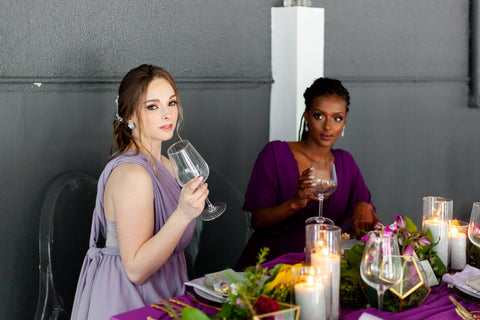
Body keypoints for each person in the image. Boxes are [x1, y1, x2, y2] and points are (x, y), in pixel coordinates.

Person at [71, 64, 208, 319]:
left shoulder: (167, 163)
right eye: (153, 106)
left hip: (167, 291)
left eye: (172, 103)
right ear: (131, 116)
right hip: (130, 299)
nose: (168, 114)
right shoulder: (133, 175)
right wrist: (183, 214)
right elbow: (135, 270)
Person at [235, 77, 379, 270]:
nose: (328, 127)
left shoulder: (346, 162)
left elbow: (364, 205)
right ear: (307, 116)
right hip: (274, 263)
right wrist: (295, 203)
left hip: (324, 267)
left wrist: (363, 205)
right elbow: (258, 221)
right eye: (319, 116)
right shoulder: (275, 153)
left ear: (344, 122)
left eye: (337, 118)